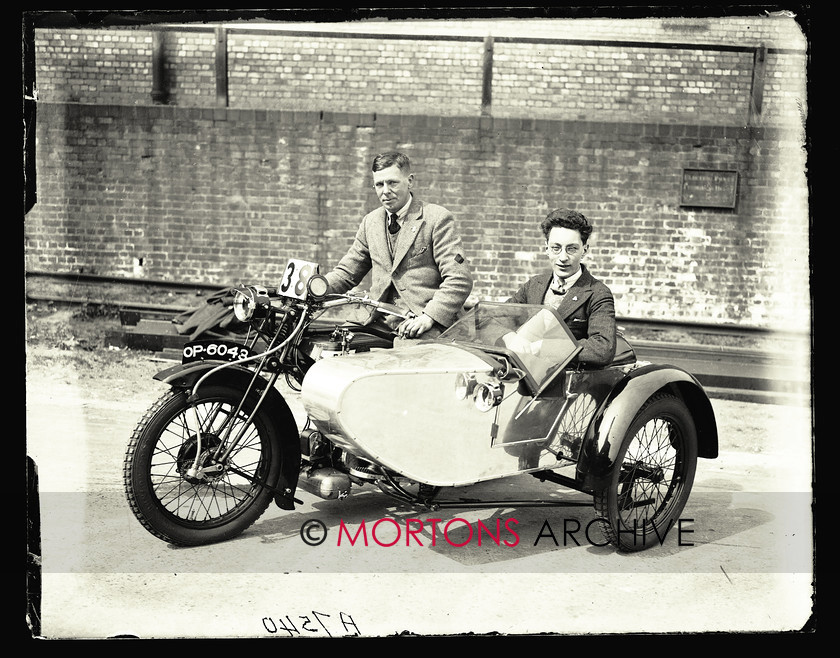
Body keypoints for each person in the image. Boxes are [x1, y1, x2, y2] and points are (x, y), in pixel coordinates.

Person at [324, 151, 473, 339]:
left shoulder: (436, 219)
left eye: (392, 182)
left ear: (409, 181)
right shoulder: (371, 222)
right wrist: (315, 287)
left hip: (423, 320)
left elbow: (459, 279)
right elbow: (347, 273)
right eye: (379, 184)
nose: (385, 191)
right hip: (377, 319)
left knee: (403, 361)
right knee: (330, 348)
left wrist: (428, 317)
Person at [509, 208, 616, 367]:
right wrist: (510, 337)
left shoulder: (598, 293)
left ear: (584, 250)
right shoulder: (534, 285)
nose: (563, 257)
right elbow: (497, 319)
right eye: (556, 248)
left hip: (565, 382)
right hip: (523, 374)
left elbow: (602, 348)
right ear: (546, 248)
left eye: (571, 248)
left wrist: (542, 347)